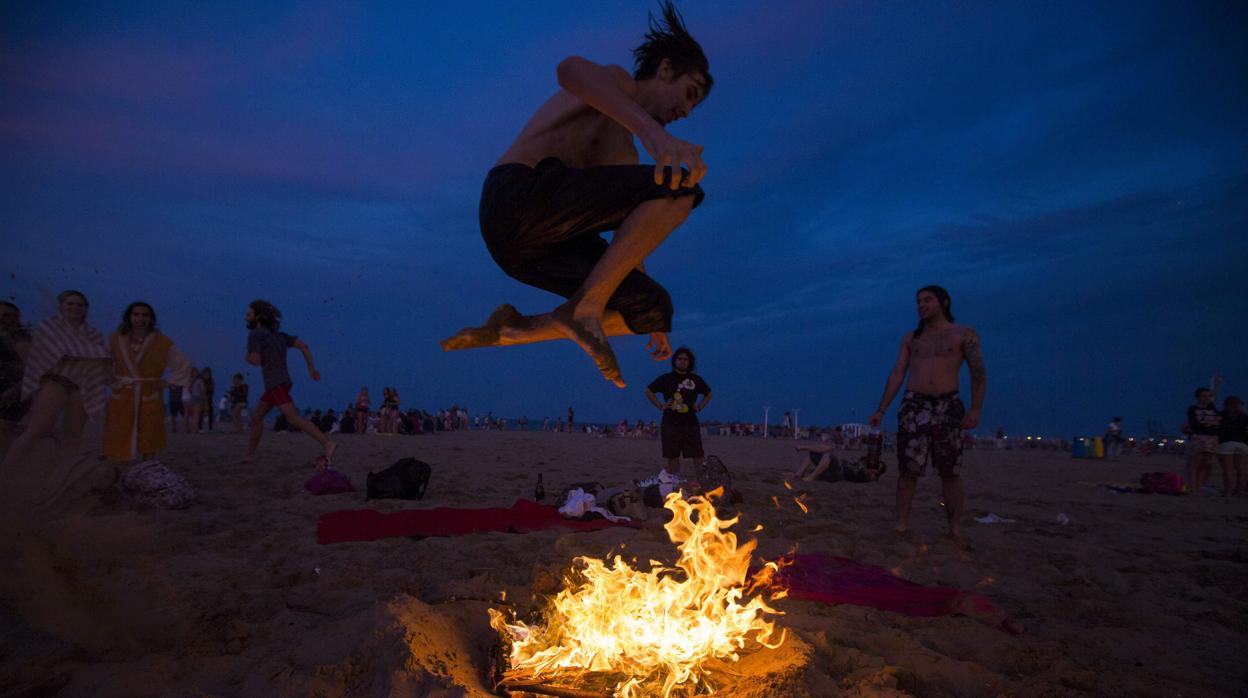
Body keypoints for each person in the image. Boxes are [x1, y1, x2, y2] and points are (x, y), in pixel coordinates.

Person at [440, 2, 712, 388]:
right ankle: (585, 309)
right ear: (665, 69)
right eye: (689, 93)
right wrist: (655, 136)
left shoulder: (624, 154)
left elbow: (629, 243)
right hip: (516, 197)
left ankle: (517, 329)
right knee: (681, 185)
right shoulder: (616, 84)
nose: (686, 110)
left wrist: (646, 318)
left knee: (654, 307)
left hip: (527, 253)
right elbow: (569, 70)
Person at [868, 286, 986, 539]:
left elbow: (978, 372)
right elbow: (898, 373)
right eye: (918, 301)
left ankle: (954, 528)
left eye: (927, 300)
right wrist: (881, 408)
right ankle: (901, 524)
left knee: (950, 470)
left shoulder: (963, 334)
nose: (921, 305)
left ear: (943, 302)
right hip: (915, 405)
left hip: (948, 405)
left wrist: (975, 409)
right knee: (908, 469)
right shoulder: (912, 338)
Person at [2, 290, 112, 470]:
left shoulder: (94, 334)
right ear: (61, 306)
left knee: (73, 434)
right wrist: (83, 354)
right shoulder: (48, 328)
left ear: (86, 309)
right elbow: (44, 357)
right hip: (55, 381)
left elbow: (99, 362)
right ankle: (6, 470)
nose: (75, 308)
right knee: (38, 429)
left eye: (80, 305)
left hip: (82, 385)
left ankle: (62, 476)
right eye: (70, 303)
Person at [241, 300, 335, 466]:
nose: (245, 317)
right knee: (256, 416)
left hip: (276, 384)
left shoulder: (256, 334)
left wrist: (248, 357)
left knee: (293, 419)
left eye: (248, 315)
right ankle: (249, 455)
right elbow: (304, 346)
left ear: (258, 317)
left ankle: (327, 443)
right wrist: (311, 369)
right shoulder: (280, 336)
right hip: (280, 384)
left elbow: (256, 360)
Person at [101, 302, 193, 462]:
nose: (140, 318)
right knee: (120, 432)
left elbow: (183, 364)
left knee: (150, 434)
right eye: (136, 314)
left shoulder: (162, 341)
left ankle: (147, 472)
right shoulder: (115, 338)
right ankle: (122, 473)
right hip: (123, 393)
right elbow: (103, 361)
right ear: (128, 316)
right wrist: (111, 380)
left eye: (145, 315)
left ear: (151, 319)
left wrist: (168, 383)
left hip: (149, 393)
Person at [645, 346, 711, 475]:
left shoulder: (695, 379)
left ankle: (704, 484)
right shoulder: (666, 378)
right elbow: (648, 391)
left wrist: (700, 406)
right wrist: (660, 405)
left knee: (697, 454)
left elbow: (709, 393)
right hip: (670, 422)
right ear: (674, 361)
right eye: (679, 359)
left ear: (689, 362)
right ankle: (673, 484)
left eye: (685, 359)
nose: (682, 361)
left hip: (690, 422)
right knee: (672, 455)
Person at [0, 301, 33, 457]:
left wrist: (15, 390)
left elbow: (33, 370)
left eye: (6, 315)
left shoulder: (21, 339)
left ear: (16, 317)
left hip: (11, 393)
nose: (1, 318)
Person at [1183, 387, 1220, 493]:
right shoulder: (1193, 409)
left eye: (1208, 396)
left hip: (1211, 437)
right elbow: (1194, 423)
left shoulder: (1213, 409)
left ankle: (1200, 484)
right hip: (1198, 436)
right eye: (1204, 396)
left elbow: (1218, 420)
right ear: (1198, 397)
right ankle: (1193, 487)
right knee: (1195, 463)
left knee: (1207, 463)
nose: (1206, 398)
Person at [792, 444, 886, 483]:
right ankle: (799, 473)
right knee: (813, 453)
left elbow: (872, 478)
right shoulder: (861, 464)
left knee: (829, 454)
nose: (873, 466)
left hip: (838, 473)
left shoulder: (868, 475)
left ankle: (811, 476)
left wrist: (872, 472)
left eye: (876, 467)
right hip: (831, 469)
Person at [1214, 396, 1246, 496]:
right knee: (1242, 470)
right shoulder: (1245, 417)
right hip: (1242, 444)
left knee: (1228, 470)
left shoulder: (1221, 415)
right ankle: (1239, 490)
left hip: (1226, 443)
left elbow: (1215, 428)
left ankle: (1227, 491)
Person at [182, 367, 205, 434]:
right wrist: (203, 398)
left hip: (192, 398)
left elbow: (189, 389)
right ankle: (195, 429)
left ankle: (188, 429)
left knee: (189, 414)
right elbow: (203, 390)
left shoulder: (190, 380)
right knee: (196, 415)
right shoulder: (200, 380)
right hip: (198, 398)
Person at [199, 367, 216, 431]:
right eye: (206, 374)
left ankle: (210, 428)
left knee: (210, 412)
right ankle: (200, 427)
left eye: (208, 374)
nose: (207, 375)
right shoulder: (201, 381)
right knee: (201, 412)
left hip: (209, 397)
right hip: (202, 398)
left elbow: (212, 390)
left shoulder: (211, 381)